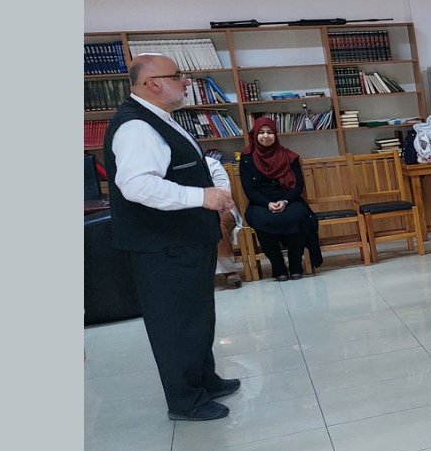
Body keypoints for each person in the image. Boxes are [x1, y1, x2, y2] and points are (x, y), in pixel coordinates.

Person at [102, 53, 239, 421]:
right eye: (178, 75)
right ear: (153, 84)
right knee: (176, 324)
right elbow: (137, 186)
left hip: (185, 240)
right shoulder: (136, 127)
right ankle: (185, 400)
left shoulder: (159, 118)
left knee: (197, 317)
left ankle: (204, 380)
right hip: (162, 246)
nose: (186, 82)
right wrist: (202, 197)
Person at [240, 117, 319, 282]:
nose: (265, 136)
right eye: (261, 132)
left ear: (275, 135)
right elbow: (249, 190)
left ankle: (295, 264)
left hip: (289, 199)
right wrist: (267, 203)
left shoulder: (289, 156)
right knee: (262, 220)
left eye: (269, 132)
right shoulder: (247, 158)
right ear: (255, 135)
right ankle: (278, 267)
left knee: (298, 216)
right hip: (261, 203)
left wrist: (284, 201)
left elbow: (298, 186)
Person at [204, 151, 242, 289]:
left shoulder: (211, 163)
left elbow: (223, 192)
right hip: (189, 211)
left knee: (215, 223)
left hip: (220, 208)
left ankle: (229, 270)